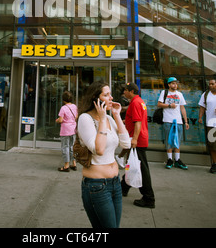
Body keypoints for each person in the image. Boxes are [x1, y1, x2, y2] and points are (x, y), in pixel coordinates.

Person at [77, 81, 131, 228]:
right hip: (96, 186)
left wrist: (116, 115)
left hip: (115, 183)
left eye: (110, 94)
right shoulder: (85, 119)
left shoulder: (110, 119)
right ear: (96, 98)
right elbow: (99, 149)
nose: (111, 98)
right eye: (106, 95)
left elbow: (126, 144)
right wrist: (101, 119)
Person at [121, 83, 155, 208]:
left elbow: (138, 122)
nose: (124, 92)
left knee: (140, 168)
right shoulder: (138, 101)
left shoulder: (135, 103)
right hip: (140, 138)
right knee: (134, 164)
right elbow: (135, 120)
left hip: (138, 140)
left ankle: (148, 198)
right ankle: (123, 187)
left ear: (131, 91)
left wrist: (134, 139)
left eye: (125, 90)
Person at [158, 77, 189, 169]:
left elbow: (182, 108)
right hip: (167, 120)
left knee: (177, 141)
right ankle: (170, 159)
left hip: (178, 121)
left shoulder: (180, 94)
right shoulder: (164, 93)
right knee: (169, 140)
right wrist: (169, 105)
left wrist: (186, 121)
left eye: (176, 83)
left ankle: (178, 160)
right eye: (173, 83)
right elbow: (159, 104)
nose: (175, 85)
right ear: (169, 84)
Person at [56, 91, 78, 172]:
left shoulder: (63, 108)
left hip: (65, 130)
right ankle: (74, 163)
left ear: (63, 99)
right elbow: (76, 117)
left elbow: (61, 120)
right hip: (73, 129)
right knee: (72, 146)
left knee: (65, 147)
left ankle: (66, 166)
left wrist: (57, 121)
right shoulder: (75, 106)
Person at [198, 78, 216, 174]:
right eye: (210, 84)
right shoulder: (205, 95)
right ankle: (214, 164)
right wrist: (200, 117)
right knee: (212, 145)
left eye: (213, 84)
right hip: (211, 123)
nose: (211, 85)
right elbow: (202, 107)